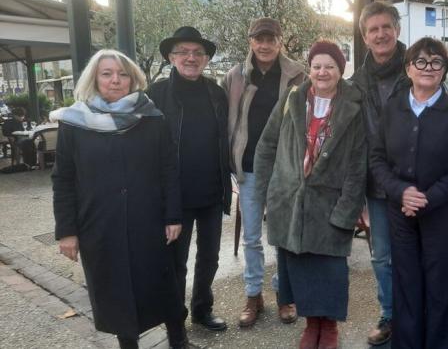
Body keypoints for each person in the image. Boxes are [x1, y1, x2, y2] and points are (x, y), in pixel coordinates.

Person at [51, 49, 186, 349]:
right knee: (115, 292)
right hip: (100, 225)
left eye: (123, 74)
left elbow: (168, 170)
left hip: (148, 221)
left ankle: (178, 339)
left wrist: (173, 216)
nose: (116, 80)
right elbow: (63, 180)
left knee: (163, 288)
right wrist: (67, 231)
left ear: (133, 78)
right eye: (107, 73)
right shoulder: (74, 123)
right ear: (95, 79)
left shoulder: (151, 118)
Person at [255, 41, 366, 349]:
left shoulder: (353, 106)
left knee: (329, 268)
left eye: (329, 66)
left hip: (330, 200)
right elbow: (266, 146)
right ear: (309, 69)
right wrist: (267, 193)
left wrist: (348, 208)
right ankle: (310, 324)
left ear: (340, 70)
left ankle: (328, 326)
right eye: (317, 65)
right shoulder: (292, 99)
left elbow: (359, 164)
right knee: (299, 267)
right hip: (289, 201)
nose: (322, 72)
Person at [370, 37, 448, 349]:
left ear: (444, 70)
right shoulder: (393, 108)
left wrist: (427, 198)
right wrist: (401, 192)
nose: (428, 68)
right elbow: (376, 158)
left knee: (442, 288)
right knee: (407, 286)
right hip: (401, 214)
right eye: (421, 61)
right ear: (408, 68)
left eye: (436, 62)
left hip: (440, 214)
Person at [147, 26, 232, 332]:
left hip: (211, 192)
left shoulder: (216, 93)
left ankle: (202, 309)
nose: (191, 58)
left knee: (209, 258)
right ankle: (175, 319)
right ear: (171, 57)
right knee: (175, 263)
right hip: (174, 198)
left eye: (198, 53)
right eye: (183, 52)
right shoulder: (155, 95)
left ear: (207, 59)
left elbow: (226, 138)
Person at [222, 17, 305, 328]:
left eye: (271, 39)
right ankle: (253, 294)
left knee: (283, 235)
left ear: (280, 41)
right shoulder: (235, 76)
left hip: (286, 167)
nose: (265, 45)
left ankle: (286, 294)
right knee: (252, 237)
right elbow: (227, 120)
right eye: (260, 39)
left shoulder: (297, 75)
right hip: (249, 167)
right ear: (251, 42)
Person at [351, 1, 409, 346]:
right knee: (381, 255)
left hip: (414, 181)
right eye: (373, 29)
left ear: (397, 30)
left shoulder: (416, 67)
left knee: (415, 252)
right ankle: (389, 313)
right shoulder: (356, 82)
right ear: (364, 36)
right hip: (375, 184)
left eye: (386, 26)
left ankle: (416, 312)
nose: (380, 34)